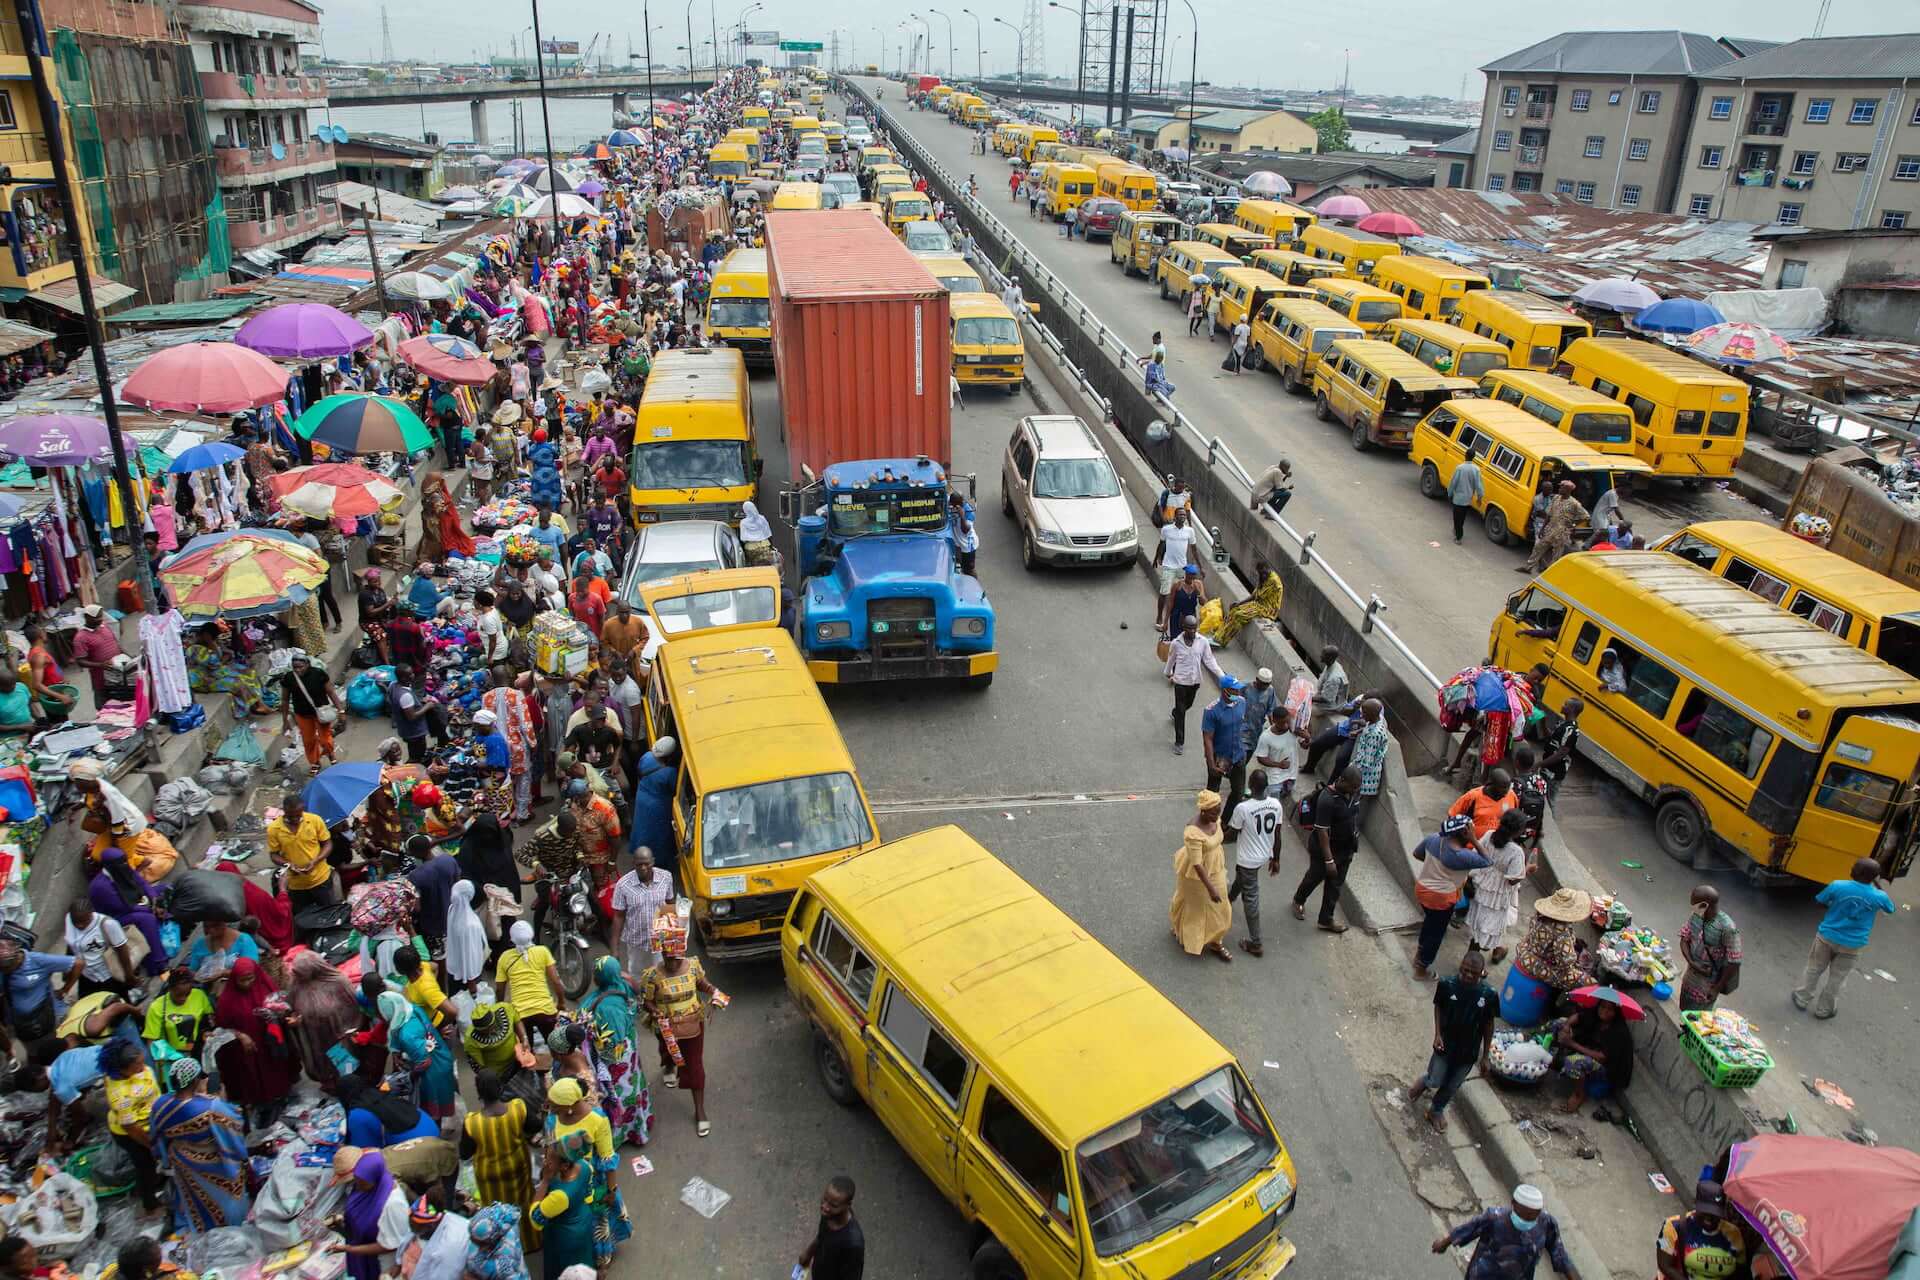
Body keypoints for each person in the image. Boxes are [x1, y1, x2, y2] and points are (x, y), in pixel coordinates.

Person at [640, 912, 723, 1137]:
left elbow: (704, 985)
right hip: (666, 1028)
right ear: (663, 955)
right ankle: (668, 1066)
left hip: (693, 1025)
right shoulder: (652, 976)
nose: (673, 963)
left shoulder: (693, 966)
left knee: (695, 1065)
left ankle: (699, 1110)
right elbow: (646, 1001)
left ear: (682, 954)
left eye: (677, 959)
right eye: (668, 959)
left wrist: (715, 993)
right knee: (668, 1052)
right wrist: (655, 1010)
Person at [148, 1057, 249, 1230]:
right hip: (213, 1161)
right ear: (196, 1080)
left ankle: (204, 1226)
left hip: (181, 1158)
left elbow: (156, 1134)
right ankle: (232, 1227)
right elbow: (234, 1124)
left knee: (195, 1196)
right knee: (225, 1196)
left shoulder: (161, 1104)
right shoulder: (210, 1107)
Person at [1793, 856, 1895, 1020]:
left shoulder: (1838, 885)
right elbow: (1890, 909)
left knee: (1814, 968)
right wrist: (1877, 888)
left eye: (1855, 866)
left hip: (1827, 936)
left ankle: (1802, 998)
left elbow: (1819, 901)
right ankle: (1824, 1010)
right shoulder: (1880, 896)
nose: (1852, 868)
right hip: (1853, 945)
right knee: (1838, 978)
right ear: (1874, 877)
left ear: (1857, 872)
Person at [543, 1077, 631, 1265]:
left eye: (554, 1104)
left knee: (596, 1223)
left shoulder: (597, 1119)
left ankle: (601, 1260)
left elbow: (607, 1158)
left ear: (569, 1105)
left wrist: (611, 1190)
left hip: (592, 1183)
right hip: (565, 1182)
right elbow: (550, 1150)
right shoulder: (552, 1119)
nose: (550, 1107)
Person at [1407, 950, 1497, 1132]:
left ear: (1482, 972)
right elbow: (1438, 1006)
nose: (1468, 976)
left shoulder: (1488, 995)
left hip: (1468, 1052)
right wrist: (1437, 1034)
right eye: (1464, 971)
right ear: (1460, 967)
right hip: (1445, 1046)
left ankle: (1436, 1110)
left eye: (1473, 973)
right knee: (1436, 1079)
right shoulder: (1447, 984)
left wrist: (1485, 1055)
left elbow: (1489, 1024)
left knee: (1452, 1085)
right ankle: (1425, 1082)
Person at [460, 1069, 540, 1249]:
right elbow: (536, 1125)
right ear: (500, 1087)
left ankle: (503, 1246)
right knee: (523, 1204)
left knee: (496, 1211)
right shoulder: (518, 1108)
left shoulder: (472, 1122)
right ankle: (529, 1243)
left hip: (490, 1179)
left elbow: (464, 1153)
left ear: (478, 1092)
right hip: (518, 1168)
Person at [580, 956, 651, 1148]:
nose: (594, 977)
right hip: (630, 1048)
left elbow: (614, 1042)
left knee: (619, 1092)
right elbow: (638, 993)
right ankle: (638, 1125)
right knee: (634, 1084)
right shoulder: (622, 985)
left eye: (595, 974)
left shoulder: (606, 1006)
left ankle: (623, 1132)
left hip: (618, 1057)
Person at [212, 956, 296, 1117]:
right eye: (242, 980)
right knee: (252, 1078)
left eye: (250, 978)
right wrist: (240, 1035)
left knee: (275, 1072)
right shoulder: (227, 1000)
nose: (246, 983)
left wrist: (279, 1016)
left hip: (269, 1042)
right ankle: (259, 1103)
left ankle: (280, 1097)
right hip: (245, 1048)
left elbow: (281, 1005)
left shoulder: (264, 986)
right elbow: (221, 1027)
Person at [1432, 1184, 1573, 1279]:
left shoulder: (1546, 1222)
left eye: (1533, 1216)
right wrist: (1444, 1243)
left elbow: (1558, 1251)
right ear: (1514, 1204)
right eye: (1524, 1215)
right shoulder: (1494, 1217)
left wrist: (1570, 1276)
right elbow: (1469, 1228)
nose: (1528, 1220)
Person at [1410, 816, 1488, 980]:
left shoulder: (1433, 839)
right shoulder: (1461, 855)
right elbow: (1487, 860)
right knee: (1436, 935)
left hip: (1422, 889)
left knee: (1429, 923)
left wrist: (1435, 868)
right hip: (1441, 899)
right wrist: (1473, 839)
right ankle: (1421, 969)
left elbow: (1417, 853)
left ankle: (1419, 955)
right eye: (1471, 829)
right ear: (1464, 833)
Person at [1293, 766, 1363, 934]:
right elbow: (1322, 831)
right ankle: (1298, 900)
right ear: (1342, 781)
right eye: (1353, 786)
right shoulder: (1327, 799)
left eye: (1357, 787)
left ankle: (1325, 920)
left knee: (1335, 885)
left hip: (1346, 848)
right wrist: (1329, 859)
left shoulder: (1354, 793)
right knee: (1314, 877)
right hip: (1325, 850)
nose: (1356, 790)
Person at [99, 1038, 163, 1216]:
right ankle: (150, 1205)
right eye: (137, 1065)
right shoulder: (120, 1095)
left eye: (142, 1061)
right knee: (145, 1165)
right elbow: (131, 1128)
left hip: (150, 1120)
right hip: (132, 1134)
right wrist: (151, 1145)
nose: (142, 1067)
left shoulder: (140, 1070)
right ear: (122, 1069)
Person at [1226, 769, 1285, 958]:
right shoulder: (1276, 805)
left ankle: (1256, 942)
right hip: (1264, 855)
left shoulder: (1243, 808)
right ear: (1266, 785)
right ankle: (1230, 896)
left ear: (1250, 785)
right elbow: (1277, 834)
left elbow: (1232, 834)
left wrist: (1215, 838)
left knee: (1250, 897)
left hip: (1248, 860)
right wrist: (1276, 858)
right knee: (1243, 877)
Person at [1169, 789, 1233, 963]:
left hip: (1216, 866)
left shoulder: (1215, 817)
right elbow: (1197, 864)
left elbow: (1219, 834)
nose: (1217, 816)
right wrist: (1210, 888)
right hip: (1196, 875)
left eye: (1219, 811)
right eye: (1214, 812)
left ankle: (1215, 941)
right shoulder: (1192, 832)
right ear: (1203, 811)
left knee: (1222, 907)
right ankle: (1187, 933)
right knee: (1194, 906)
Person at [331, 1149, 411, 1280]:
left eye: (362, 1182)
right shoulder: (368, 1188)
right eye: (356, 1180)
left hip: (381, 1262)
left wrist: (349, 1249)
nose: (358, 1185)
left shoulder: (392, 1205)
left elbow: (390, 1245)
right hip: (363, 1251)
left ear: (375, 1178)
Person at [87, 849, 168, 978]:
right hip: (116, 919)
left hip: (138, 903)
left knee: (165, 889)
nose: (125, 865)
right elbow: (124, 906)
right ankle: (158, 963)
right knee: (146, 919)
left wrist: (155, 900)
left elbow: (142, 883)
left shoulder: (123, 869)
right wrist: (151, 908)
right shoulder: (100, 887)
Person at [1465, 809, 1531, 964]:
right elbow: (1513, 880)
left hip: (1481, 885)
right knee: (1487, 930)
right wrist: (1527, 870)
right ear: (1517, 831)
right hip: (1498, 895)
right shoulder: (1516, 852)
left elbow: (1476, 854)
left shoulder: (1489, 835)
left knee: (1481, 924)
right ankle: (1474, 963)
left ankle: (1492, 950)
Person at [286, 950, 361, 1086]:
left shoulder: (337, 982)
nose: (297, 976)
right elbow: (291, 1007)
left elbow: (353, 1007)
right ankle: (329, 1083)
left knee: (345, 1064)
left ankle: (351, 1084)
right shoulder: (297, 984)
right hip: (314, 1036)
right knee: (321, 1063)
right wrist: (295, 1018)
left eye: (301, 973)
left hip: (337, 1033)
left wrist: (342, 1024)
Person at [1551, 993, 1635, 1113]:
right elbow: (1578, 1016)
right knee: (1558, 1024)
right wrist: (1566, 1026)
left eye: (1609, 1009)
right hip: (1590, 1049)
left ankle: (1578, 1095)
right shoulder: (1596, 1014)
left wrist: (1572, 1044)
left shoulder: (1619, 1032)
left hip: (1607, 1069)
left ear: (1615, 1013)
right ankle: (1555, 1060)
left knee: (1574, 1062)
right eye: (1602, 1006)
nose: (1604, 1011)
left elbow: (1602, 1058)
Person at [529, 1133, 597, 1280]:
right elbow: (587, 1194)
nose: (546, 1160)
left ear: (565, 1166)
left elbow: (535, 1219)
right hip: (582, 1221)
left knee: (566, 1269)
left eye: (551, 1158)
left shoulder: (560, 1196)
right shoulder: (585, 1165)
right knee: (582, 1260)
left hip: (565, 1235)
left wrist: (545, 1181)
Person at [1658, 1180, 1746, 1280]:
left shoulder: (1734, 1234)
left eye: (1715, 1213)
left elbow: (1740, 1270)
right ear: (1695, 1203)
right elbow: (1664, 1265)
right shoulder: (1671, 1226)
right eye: (1705, 1210)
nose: (1709, 1217)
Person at [1163, 615, 1224, 757]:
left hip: (1195, 681)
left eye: (1194, 628)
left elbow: (1210, 661)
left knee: (1187, 706)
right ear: (1183, 628)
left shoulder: (1202, 642)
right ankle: (1179, 742)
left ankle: (1175, 713)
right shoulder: (1176, 643)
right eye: (1189, 628)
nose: (1192, 631)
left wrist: (1222, 676)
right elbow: (1171, 659)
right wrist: (1168, 672)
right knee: (1182, 711)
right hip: (1180, 682)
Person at [1676, 885, 1742, 1012]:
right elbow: (1684, 938)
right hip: (1689, 980)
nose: (1692, 907)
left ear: (1704, 905)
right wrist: (1692, 963)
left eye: (1694, 904)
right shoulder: (1696, 916)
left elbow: (1734, 962)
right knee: (1683, 1012)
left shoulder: (1728, 928)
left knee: (1697, 1022)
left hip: (1706, 988)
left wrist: (1717, 988)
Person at [610, 848, 674, 976]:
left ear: (653, 862)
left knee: (661, 975)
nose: (643, 868)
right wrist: (614, 950)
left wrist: (675, 938)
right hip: (636, 942)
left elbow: (670, 904)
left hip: (660, 940)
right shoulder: (623, 885)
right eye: (639, 864)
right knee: (638, 976)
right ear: (633, 863)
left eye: (647, 863)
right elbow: (618, 917)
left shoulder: (666, 877)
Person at [497, 921, 565, 1040]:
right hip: (546, 1010)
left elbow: (499, 989)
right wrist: (561, 1002)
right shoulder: (542, 951)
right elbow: (556, 981)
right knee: (556, 1046)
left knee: (527, 1053)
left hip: (520, 1016)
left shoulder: (504, 957)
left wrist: (500, 1007)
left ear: (512, 938)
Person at [269, 790, 337, 910]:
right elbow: (274, 855)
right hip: (295, 884)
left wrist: (316, 861)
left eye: (298, 815)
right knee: (302, 918)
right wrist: (288, 865)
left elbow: (327, 843)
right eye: (291, 816)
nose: (295, 819)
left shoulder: (315, 820)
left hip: (320, 879)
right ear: (284, 811)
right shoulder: (274, 829)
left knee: (329, 913)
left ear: (303, 810)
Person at [337, 1072, 437, 1148]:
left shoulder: (357, 1114)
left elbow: (364, 1150)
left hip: (421, 1146)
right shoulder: (378, 1094)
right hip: (432, 1131)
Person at [1201, 675, 1251, 820]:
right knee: (1212, 794)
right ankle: (1207, 821)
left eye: (1238, 690)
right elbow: (1208, 739)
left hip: (1238, 755)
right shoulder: (1211, 711)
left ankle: (1225, 821)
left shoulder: (1242, 702)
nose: (1237, 693)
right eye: (1234, 691)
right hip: (1220, 757)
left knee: (1238, 792)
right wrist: (1211, 764)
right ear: (1225, 691)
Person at [800, 1175, 866, 1280]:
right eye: (825, 1199)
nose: (825, 1207)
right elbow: (821, 1236)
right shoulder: (828, 1214)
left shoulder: (854, 1244)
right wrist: (808, 1253)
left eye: (833, 1205)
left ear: (848, 1205)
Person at [64, 897, 131, 997]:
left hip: (108, 977)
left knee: (119, 1005)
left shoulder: (108, 924)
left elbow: (122, 950)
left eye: (84, 921)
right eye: (76, 922)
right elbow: (71, 946)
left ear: (91, 914)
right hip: (86, 977)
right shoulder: (69, 918)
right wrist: (67, 970)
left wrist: (129, 975)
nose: (79, 925)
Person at [1520, 480, 1588, 575]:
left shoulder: (1574, 503)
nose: (1559, 489)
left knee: (1556, 553)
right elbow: (1549, 514)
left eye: (1561, 487)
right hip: (1550, 528)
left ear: (1568, 489)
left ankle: (1549, 573)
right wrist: (1543, 528)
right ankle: (1528, 567)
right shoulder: (1556, 498)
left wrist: (1573, 524)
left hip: (1562, 532)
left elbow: (1585, 516)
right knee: (1539, 547)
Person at [1152, 507, 1198, 630]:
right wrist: (1156, 558)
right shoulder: (1166, 530)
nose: (1183, 517)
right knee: (1164, 592)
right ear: (1175, 517)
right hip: (1168, 566)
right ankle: (1159, 617)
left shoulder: (1189, 531)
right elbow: (1161, 545)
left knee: (1182, 593)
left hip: (1182, 567)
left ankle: (1181, 618)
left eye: (1184, 515)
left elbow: (1194, 548)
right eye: (1180, 515)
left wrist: (1200, 566)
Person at [71, 605, 123, 707]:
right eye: (96, 617)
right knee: (103, 703)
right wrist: (100, 665)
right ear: (86, 617)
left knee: (121, 701)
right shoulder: (81, 637)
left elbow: (116, 644)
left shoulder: (105, 626)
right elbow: (80, 661)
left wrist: (128, 657)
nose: (100, 619)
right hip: (100, 678)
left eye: (101, 616)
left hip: (117, 673)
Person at [465, 1203, 534, 1280]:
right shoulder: (501, 1227)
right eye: (471, 1237)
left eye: (480, 1244)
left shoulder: (506, 1264)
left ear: (492, 1241)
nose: (471, 1241)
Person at [1449, 452, 1485, 544]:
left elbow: (1453, 482)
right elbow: (1479, 486)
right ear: (1473, 457)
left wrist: (1449, 493)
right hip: (1467, 499)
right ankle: (1457, 531)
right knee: (1462, 517)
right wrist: (1479, 498)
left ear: (1465, 455)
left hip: (1458, 498)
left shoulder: (1460, 468)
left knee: (1456, 518)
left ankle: (1458, 537)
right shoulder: (1476, 470)